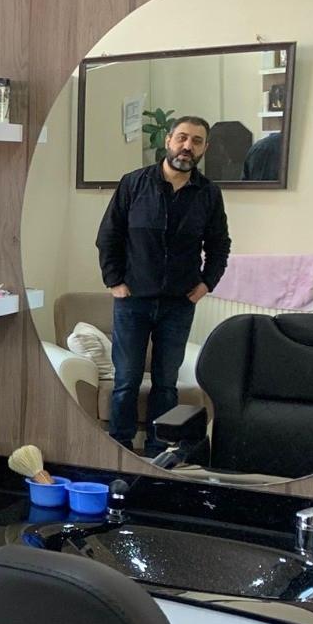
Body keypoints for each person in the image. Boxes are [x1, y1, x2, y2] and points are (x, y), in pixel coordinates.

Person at [96, 116, 231, 455]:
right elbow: (108, 236)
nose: (187, 146)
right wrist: (114, 282)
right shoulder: (133, 184)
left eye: (196, 141)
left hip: (178, 304)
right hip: (133, 301)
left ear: (204, 148)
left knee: (166, 383)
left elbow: (219, 245)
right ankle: (119, 447)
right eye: (182, 138)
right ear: (168, 140)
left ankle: (159, 450)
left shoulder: (208, 194)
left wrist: (206, 284)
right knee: (126, 380)